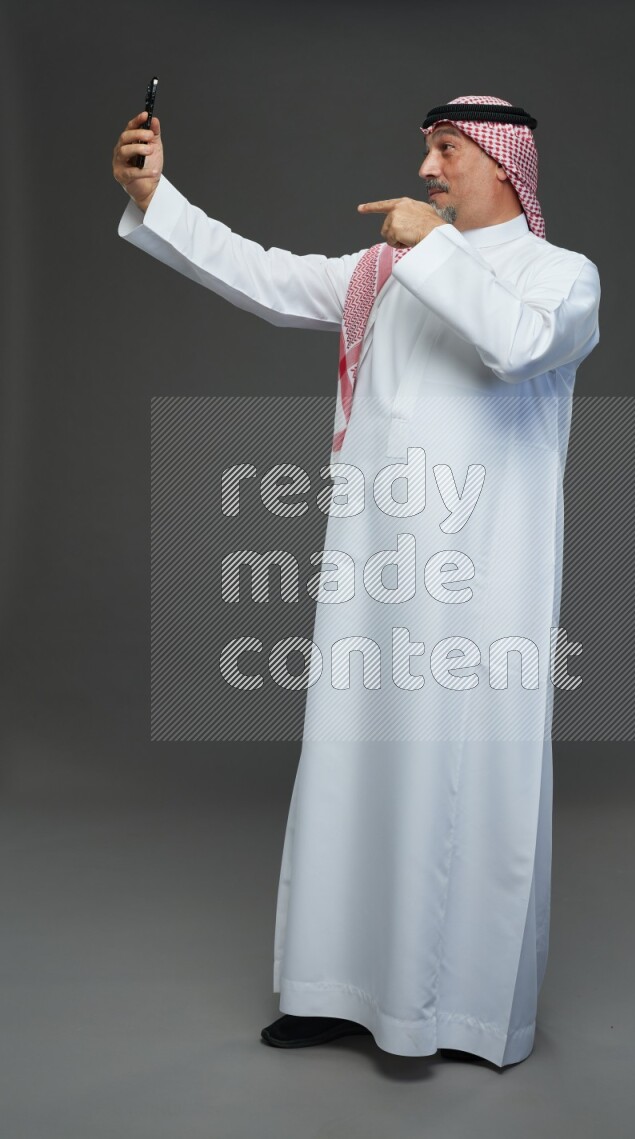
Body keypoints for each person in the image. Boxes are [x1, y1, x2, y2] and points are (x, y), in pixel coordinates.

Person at [112, 94, 601, 1068]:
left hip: (478, 592)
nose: (426, 171)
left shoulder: (560, 277)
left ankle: (456, 1013)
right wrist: (156, 194)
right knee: (351, 766)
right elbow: (262, 277)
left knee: (459, 779)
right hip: (371, 574)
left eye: (446, 152)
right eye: (426, 152)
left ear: (505, 166)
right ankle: (330, 989)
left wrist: (435, 250)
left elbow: (515, 345)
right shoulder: (384, 271)